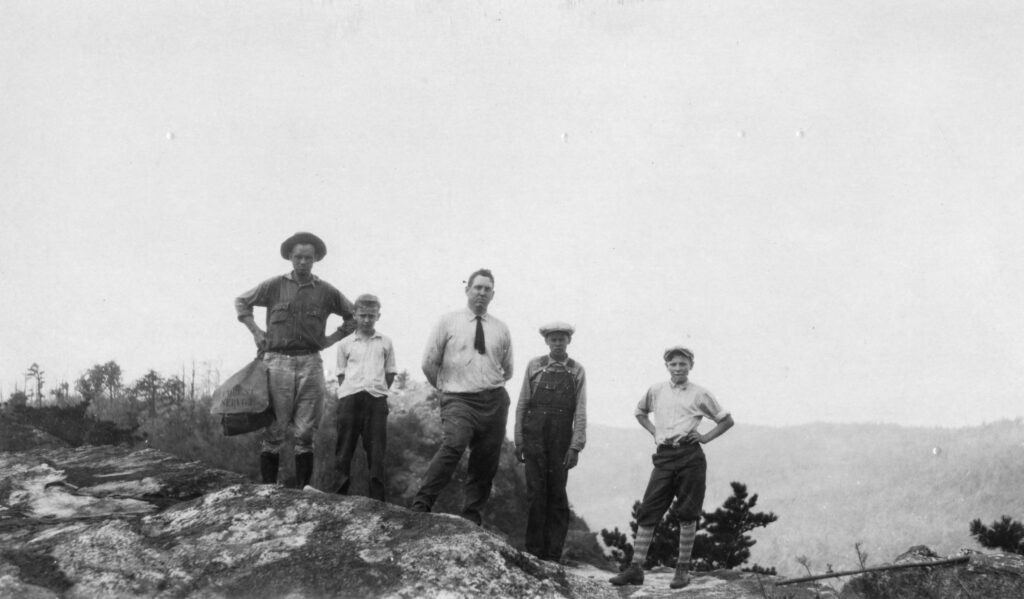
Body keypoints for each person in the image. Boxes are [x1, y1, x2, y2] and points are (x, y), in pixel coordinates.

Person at [234, 232, 355, 488]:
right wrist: (256, 332)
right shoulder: (274, 286)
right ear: (290, 257)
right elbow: (242, 302)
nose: (302, 262)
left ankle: (303, 490)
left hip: (310, 363)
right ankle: (268, 489)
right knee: (274, 428)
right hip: (277, 362)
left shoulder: (326, 291)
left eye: (308, 258)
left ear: (315, 260)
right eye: (298, 257)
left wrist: (331, 339)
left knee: (305, 432)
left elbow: (353, 315)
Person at [609, 346, 734, 589]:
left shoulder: (700, 394)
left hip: (690, 457)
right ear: (667, 365)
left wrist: (704, 438)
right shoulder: (656, 390)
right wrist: (655, 432)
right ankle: (635, 568)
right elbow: (640, 412)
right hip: (664, 457)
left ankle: (682, 570)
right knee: (648, 509)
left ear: (691, 366)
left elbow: (726, 420)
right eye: (673, 364)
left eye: (682, 364)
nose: (678, 368)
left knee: (687, 512)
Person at [410, 268, 513, 525]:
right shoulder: (448, 321)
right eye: (477, 287)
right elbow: (429, 362)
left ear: (493, 294)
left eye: (487, 289)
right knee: (454, 444)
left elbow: (507, 369)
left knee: (485, 460)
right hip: (458, 399)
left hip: (493, 401)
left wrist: (487, 384)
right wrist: (446, 390)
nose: (481, 293)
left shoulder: (501, 328)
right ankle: (421, 505)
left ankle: (472, 517)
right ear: (467, 290)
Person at [514, 321, 587, 562]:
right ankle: (534, 554)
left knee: (557, 495)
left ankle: (553, 556)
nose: (558, 343)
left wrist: (575, 446)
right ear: (547, 341)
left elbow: (581, 411)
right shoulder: (534, 365)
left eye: (562, 339)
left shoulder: (577, 370)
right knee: (536, 494)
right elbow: (523, 403)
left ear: (569, 341)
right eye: (553, 339)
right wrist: (519, 440)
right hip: (534, 436)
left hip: (561, 440)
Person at [334, 293, 397, 501]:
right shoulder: (345, 344)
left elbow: (390, 372)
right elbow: (341, 374)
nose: (367, 320)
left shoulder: (385, 342)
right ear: (355, 315)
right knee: (344, 447)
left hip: (376, 400)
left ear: (378, 316)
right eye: (363, 315)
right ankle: (339, 492)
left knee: (377, 450)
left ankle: (377, 498)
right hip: (350, 399)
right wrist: (351, 392)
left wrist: (377, 391)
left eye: (371, 316)